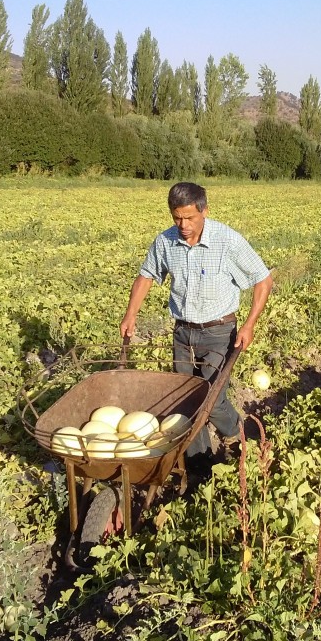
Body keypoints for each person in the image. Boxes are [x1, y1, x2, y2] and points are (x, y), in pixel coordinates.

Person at [120, 181, 273, 462]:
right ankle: (200, 466)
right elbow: (146, 276)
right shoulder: (166, 241)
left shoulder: (226, 241)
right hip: (183, 333)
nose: (183, 224)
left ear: (204, 211)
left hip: (219, 332)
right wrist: (131, 314)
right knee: (186, 403)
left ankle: (245, 437)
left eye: (189, 217)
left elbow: (263, 279)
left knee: (210, 399)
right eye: (177, 217)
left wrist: (249, 325)